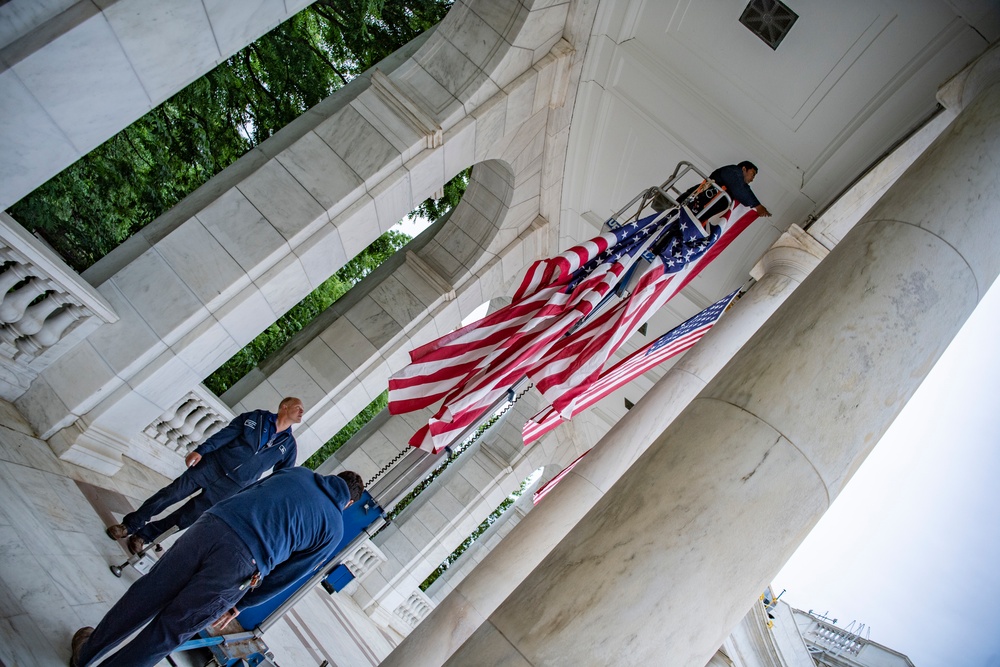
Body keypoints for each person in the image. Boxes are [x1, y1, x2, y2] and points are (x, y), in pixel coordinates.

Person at [70, 468, 365, 667]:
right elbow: (289, 575)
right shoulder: (334, 528)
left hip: (212, 526)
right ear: (348, 503)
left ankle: (86, 653)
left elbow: (250, 489)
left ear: (332, 477)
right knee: (172, 630)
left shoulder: (298, 473)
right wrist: (241, 603)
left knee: (146, 594)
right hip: (242, 563)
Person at [105, 397, 303, 554]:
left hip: (232, 486)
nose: (301, 411)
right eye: (298, 407)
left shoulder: (289, 445)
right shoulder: (255, 418)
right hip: (211, 465)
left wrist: (259, 495)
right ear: (284, 406)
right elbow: (225, 435)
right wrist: (201, 450)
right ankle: (129, 525)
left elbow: (281, 476)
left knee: (188, 517)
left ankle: (144, 537)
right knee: (171, 493)